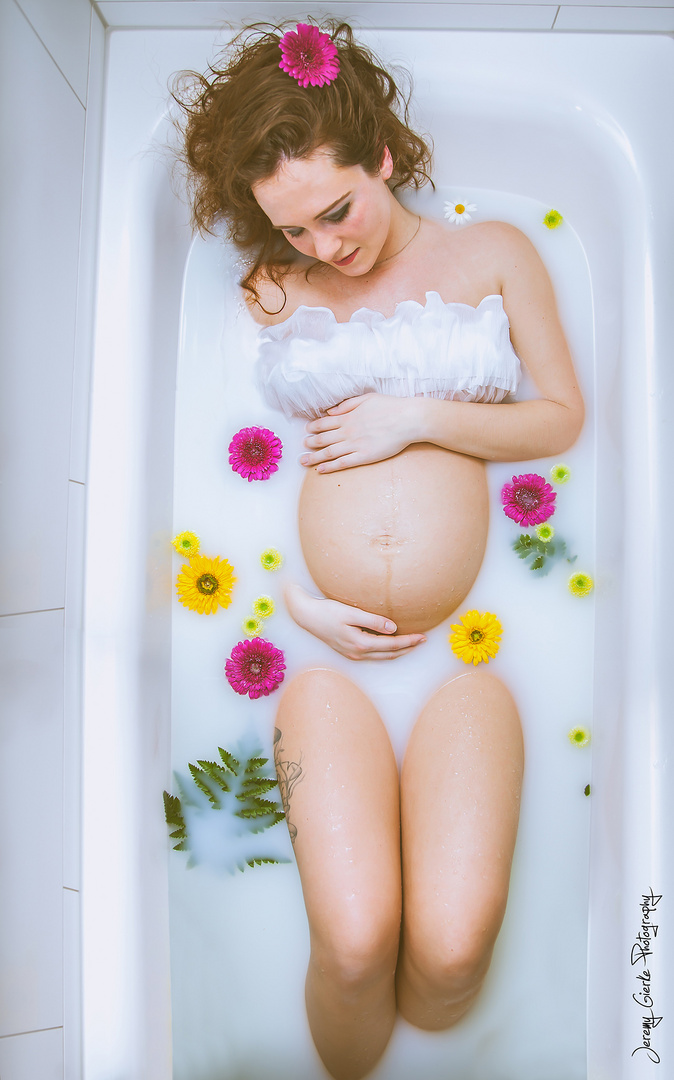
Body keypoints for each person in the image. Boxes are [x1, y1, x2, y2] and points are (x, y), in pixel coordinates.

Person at [175, 21, 584, 1080]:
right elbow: (219, 484)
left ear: (384, 157)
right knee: (354, 942)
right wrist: (290, 603)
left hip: (476, 650)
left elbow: (558, 419)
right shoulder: (270, 293)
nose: (321, 245)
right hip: (314, 652)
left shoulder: (491, 252)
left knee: (449, 950)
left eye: (335, 208)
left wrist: (416, 419)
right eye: (290, 227)